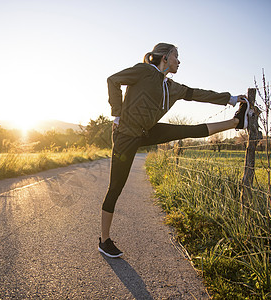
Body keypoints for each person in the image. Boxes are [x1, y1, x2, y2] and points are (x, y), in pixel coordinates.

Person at [98, 42, 250, 258]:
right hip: (125, 135)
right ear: (165, 58)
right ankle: (104, 241)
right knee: (116, 188)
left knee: (189, 130)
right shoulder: (143, 71)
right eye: (176, 56)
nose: (179, 61)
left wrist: (231, 99)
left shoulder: (171, 87)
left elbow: (198, 94)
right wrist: (117, 113)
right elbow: (113, 80)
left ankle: (237, 122)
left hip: (147, 131)